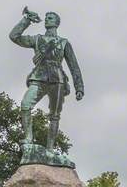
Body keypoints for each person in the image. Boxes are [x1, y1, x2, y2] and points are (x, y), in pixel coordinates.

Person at [9, 8, 84, 150]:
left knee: (54, 116)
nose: (47, 19)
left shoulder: (64, 43)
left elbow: (74, 66)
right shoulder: (37, 39)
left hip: (58, 80)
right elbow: (14, 36)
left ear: (57, 23)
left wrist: (79, 87)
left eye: (51, 17)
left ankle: (50, 149)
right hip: (39, 77)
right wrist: (27, 20)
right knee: (25, 105)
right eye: (46, 17)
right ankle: (28, 138)